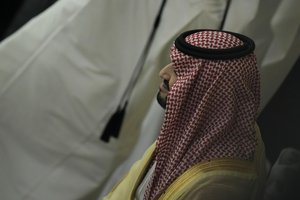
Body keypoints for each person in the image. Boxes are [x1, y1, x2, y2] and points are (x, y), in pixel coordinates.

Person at [103, 29, 266, 200]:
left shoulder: (214, 189)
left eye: (181, 70)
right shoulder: (201, 130)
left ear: (209, 90)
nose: (163, 73)